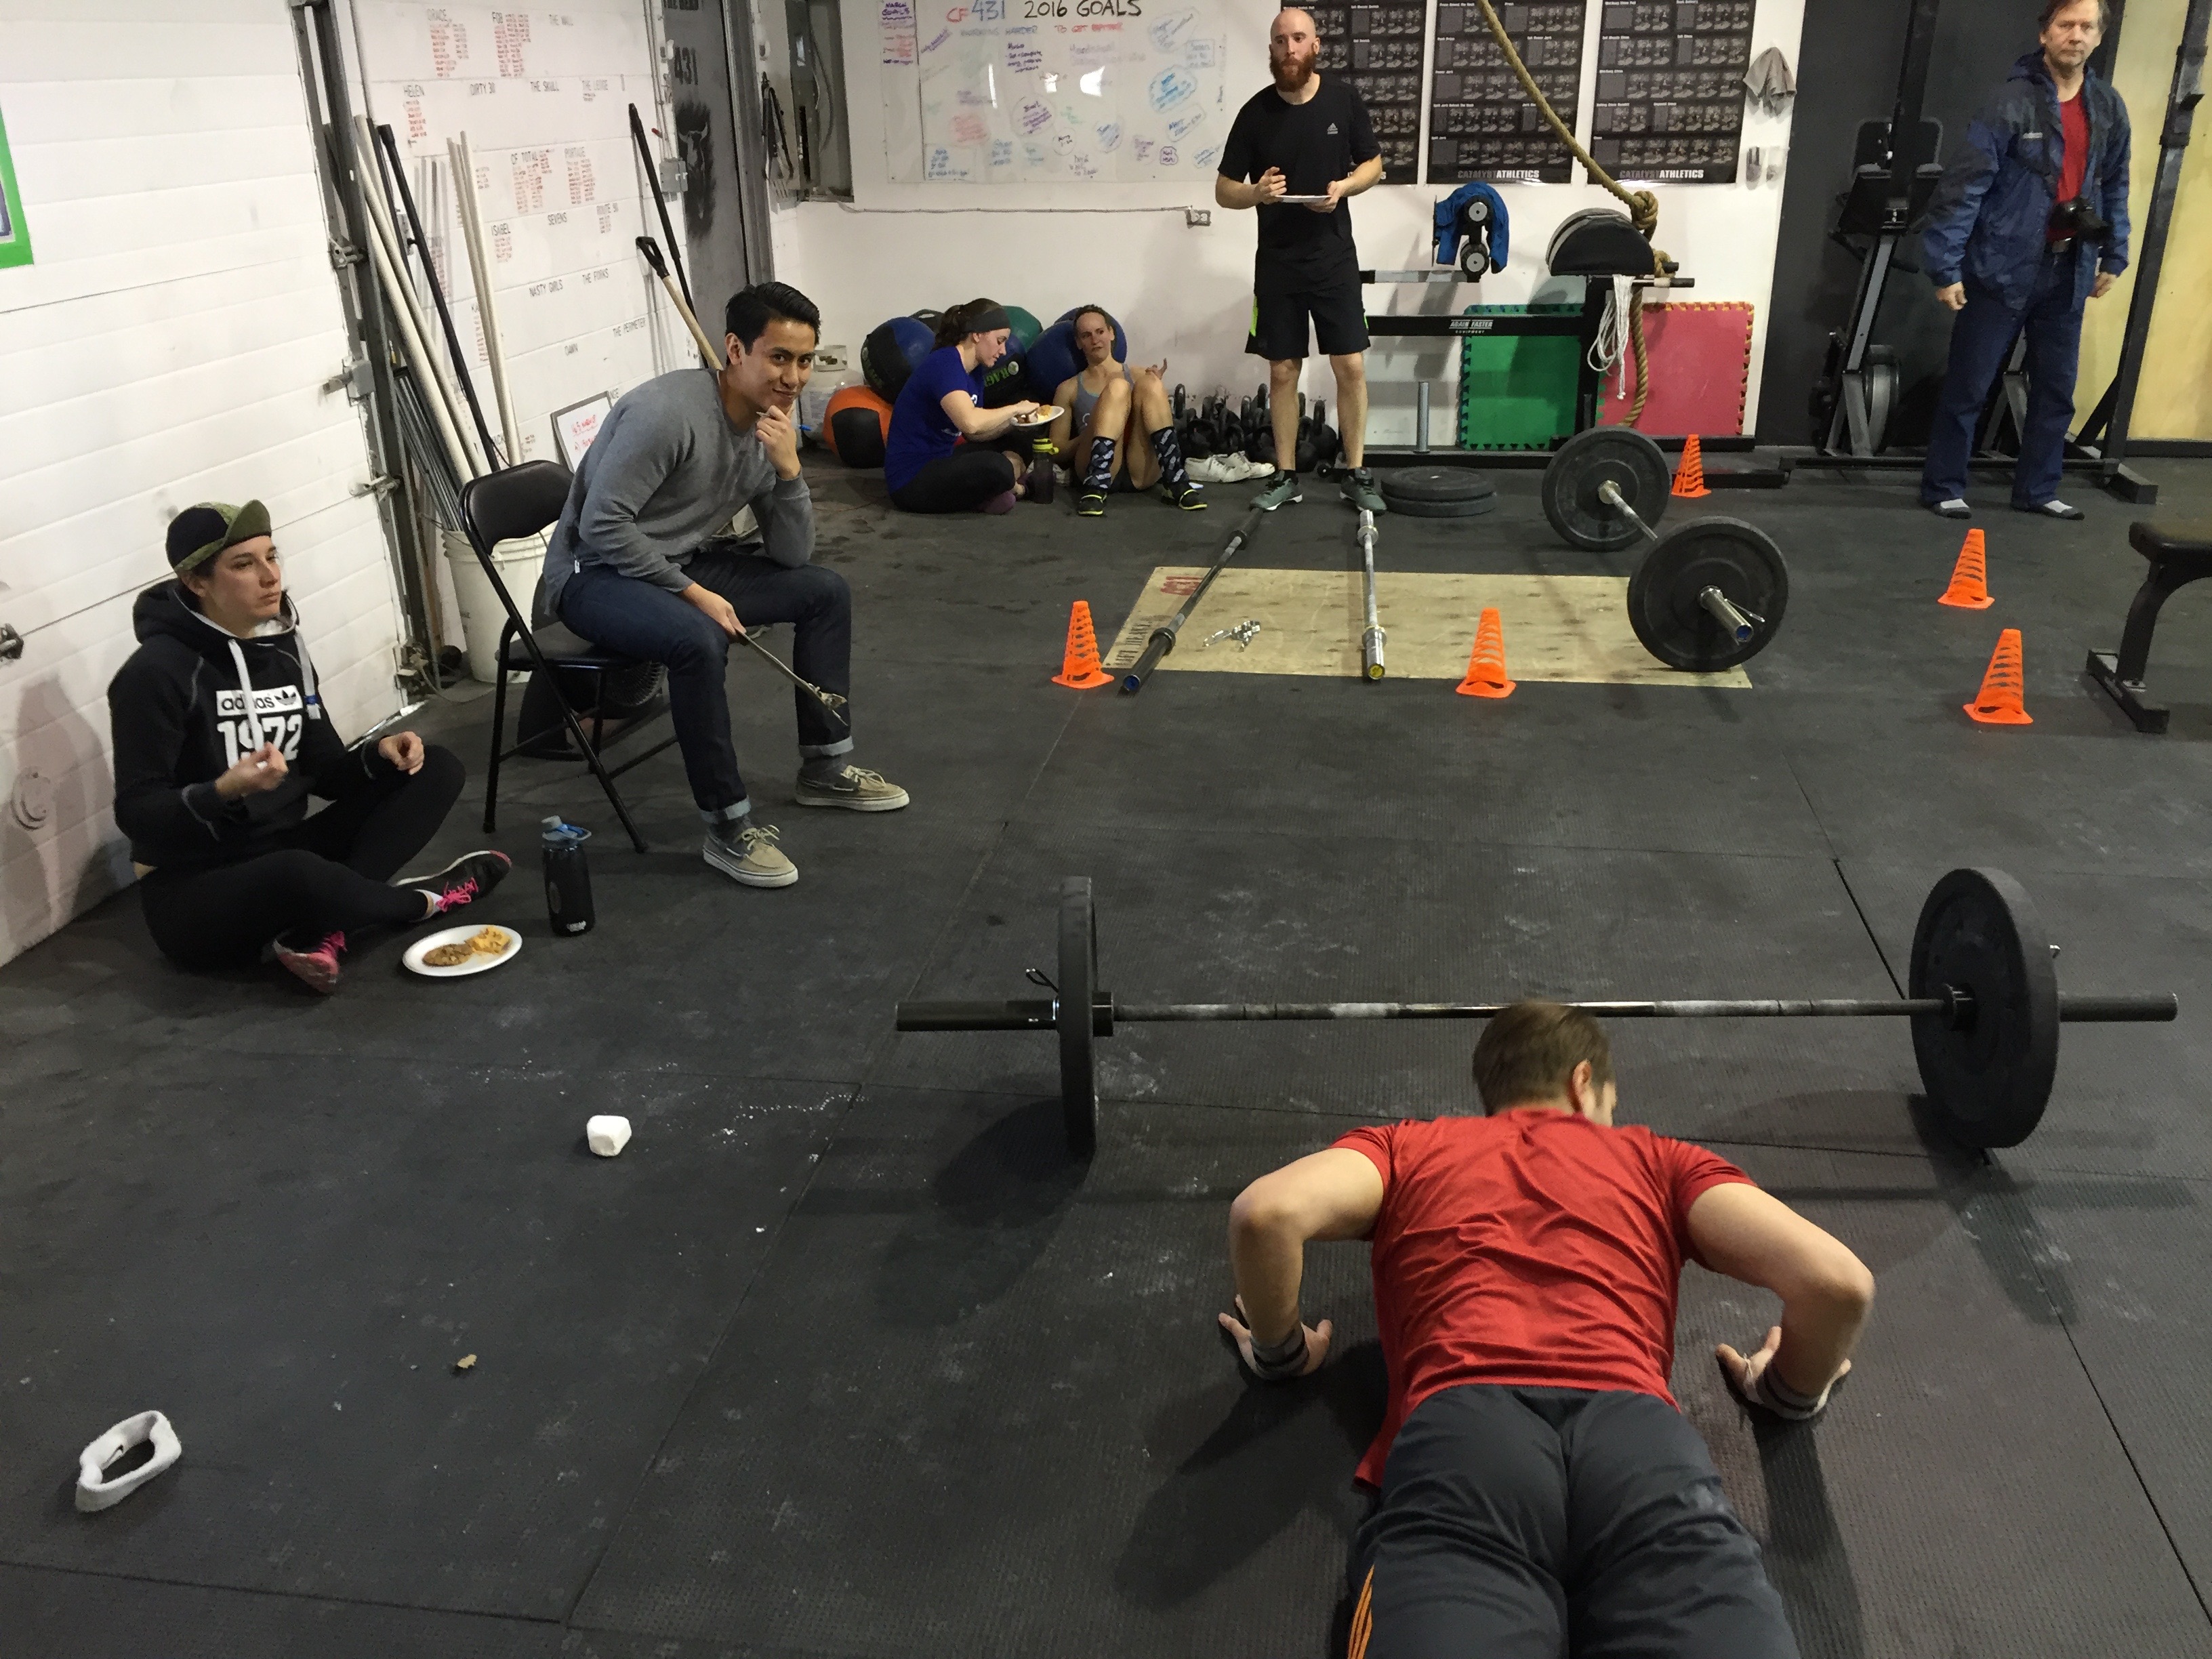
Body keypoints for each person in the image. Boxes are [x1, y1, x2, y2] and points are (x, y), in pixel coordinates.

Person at [1216, 1001, 1875, 1657]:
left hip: (1469, 1442)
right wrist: (1784, 1390)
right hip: (1638, 1443)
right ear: (1583, 1082)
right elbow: (1837, 1282)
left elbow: (1267, 1212)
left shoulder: (1407, 1147)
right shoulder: (1662, 1160)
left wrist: (1283, 1353)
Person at [544, 281, 908, 891]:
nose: (793, 377)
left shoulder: (771, 428)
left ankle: (825, 769)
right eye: (779, 357)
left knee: (825, 592)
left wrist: (790, 472)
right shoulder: (666, 415)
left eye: (805, 360)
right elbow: (602, 527)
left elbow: (792, 555)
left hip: (675, 563)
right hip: (593, 575)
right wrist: (693, 594)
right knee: (698, 639)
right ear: (735, 350)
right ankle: (728, 826)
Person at [108, 499, 509, 994]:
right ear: (196, 582)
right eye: (244, 564)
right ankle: (425, 901)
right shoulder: (153, 674)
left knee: (436, 768)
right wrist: (224, 790)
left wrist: (380, 754)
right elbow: (137, 812)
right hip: (195, 889)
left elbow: (328, 772)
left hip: (283, 848)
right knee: (299, 873)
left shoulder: (284, 651)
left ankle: (326, 925)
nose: (270, 576)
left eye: (272, 556)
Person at [1920, 0, 2131, 523]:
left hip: (2070, 268)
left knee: (2056, 390)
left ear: (2098, 37)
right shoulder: (2008, 102)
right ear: (2045, 34)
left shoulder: (2108, 107)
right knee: (1970, 385)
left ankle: (2038, 489)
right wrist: (1946, 265)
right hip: (2002, 265)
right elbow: (1965, 185)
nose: (2075, 35)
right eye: (2066, 25)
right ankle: (1944, 486)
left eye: (2086, 27)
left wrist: (2115, 252)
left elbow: (2115, 183)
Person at [1216, 7, 1387, 515]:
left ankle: (1355, 473)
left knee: (1350, 365)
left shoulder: (1343, 100)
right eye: (1279, 40)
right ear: (1271, 49)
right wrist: (1256, 193)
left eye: (1297, 38)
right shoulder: (1254, 113)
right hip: (1278, 264)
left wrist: (1345, 187)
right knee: (1283, 372)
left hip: (1334, 258)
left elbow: (1374, 165)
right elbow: (1224, 190)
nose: (1288, 49)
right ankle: (1286, 476)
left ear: (1316, 45)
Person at [884, 299, 1046, 514]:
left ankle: (990, 492)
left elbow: (976, 435)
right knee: (998, 466)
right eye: (999, 341)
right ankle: (1018, 489)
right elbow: (970, 423)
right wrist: (1016, 409)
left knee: (1017, 438)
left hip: (942, 460)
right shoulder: (945, 363)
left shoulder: (974, 371)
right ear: (977, 335)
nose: (1003, 351)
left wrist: (1015, 424)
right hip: (911, 480)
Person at [1044, 305, 1206, 516]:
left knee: (1149, 383)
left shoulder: (1140, 374)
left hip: (1140, 468)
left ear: (1111, 333)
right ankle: (1096, 486)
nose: (1095, 340)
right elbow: (1056, 450)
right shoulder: (1068, 388)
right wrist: (1095, 429)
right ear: (1079, 342)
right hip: (1093, 468)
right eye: (1086, 335)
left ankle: (1176, 480)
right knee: (1118, 387)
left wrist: (1156, 389)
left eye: (1100, 332)